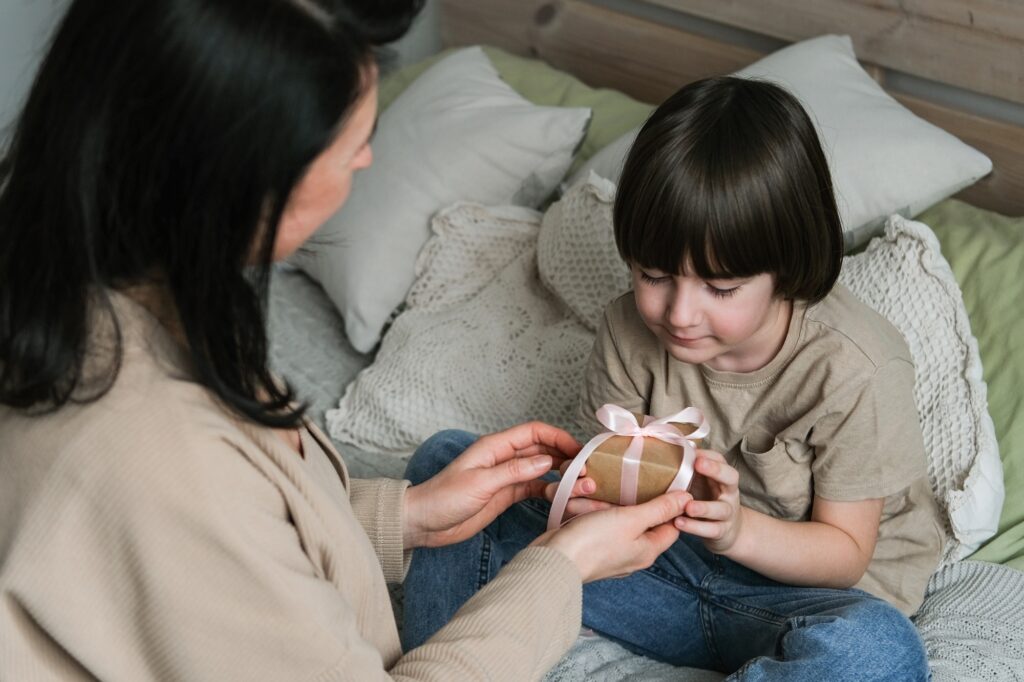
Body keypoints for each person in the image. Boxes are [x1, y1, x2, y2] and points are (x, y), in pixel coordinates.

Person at [0, 1, 698, 679]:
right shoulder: (157, 457)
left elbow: (213, 558)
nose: (369, 160)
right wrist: (563, 567)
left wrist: (405, 516)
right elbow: (195, 524)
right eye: (349, 144)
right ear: (240, 182)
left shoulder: (96, 298)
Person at [402, 77, 943, 680]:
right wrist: (579, 495)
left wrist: (737, 530)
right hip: (658, 570)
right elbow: (610, 505)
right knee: (446, 462)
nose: (679, 315)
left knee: (878, 648)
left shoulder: (855, 368)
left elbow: (845, 556)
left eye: (721, 288)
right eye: (654, 274)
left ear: (788, 267)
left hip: (799, 602)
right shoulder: (629, 330)